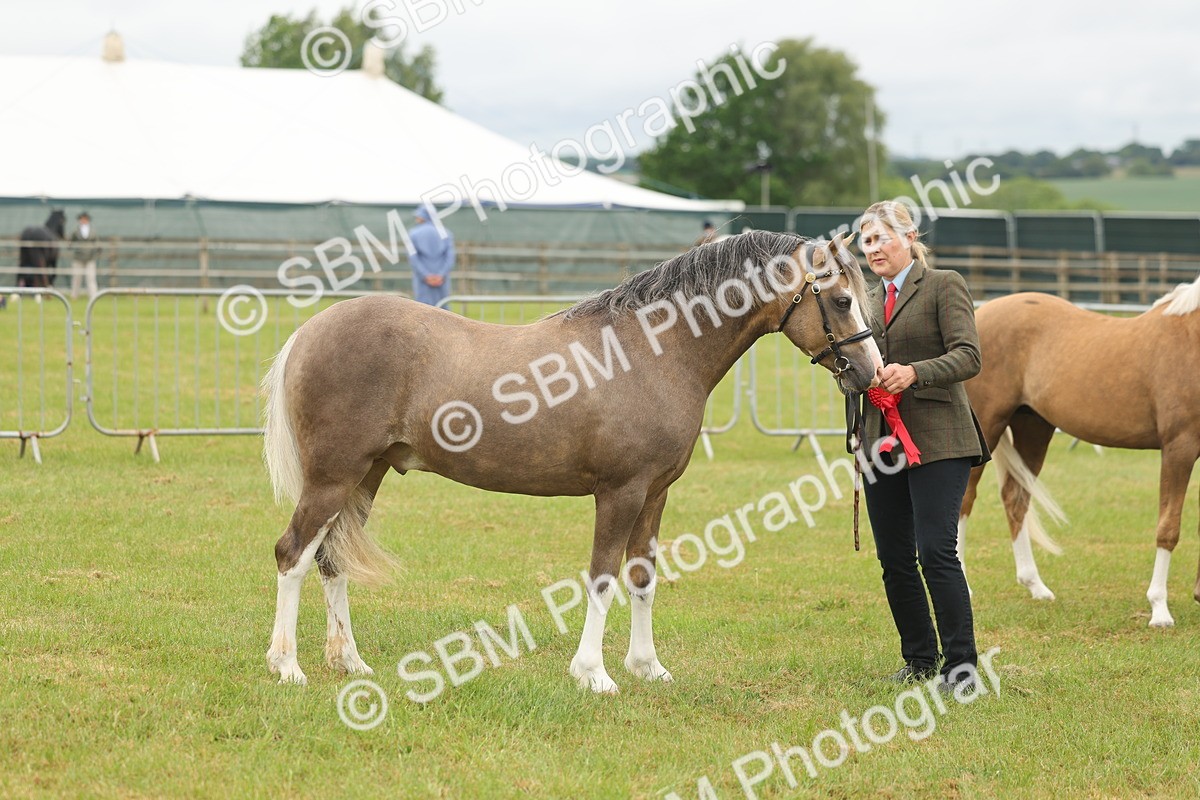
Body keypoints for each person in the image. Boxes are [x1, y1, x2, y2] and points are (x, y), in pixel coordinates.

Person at [857, 200, 990, 691]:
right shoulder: (864, 301)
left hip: (939, 439)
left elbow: (968, 355)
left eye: (881, 238)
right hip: (881, 441)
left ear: (909, 236)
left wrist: (915, 373)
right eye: (865, 241)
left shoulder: (942, 285)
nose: (872, 249)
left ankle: (963, 669)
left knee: (936, 550)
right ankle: (919, 659)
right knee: (893, 557)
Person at [409, 205, 455, 306]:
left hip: (423, 281)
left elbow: (413, 258)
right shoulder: (446, 233)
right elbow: (450, 257)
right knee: (443, 310)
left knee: (423, 311)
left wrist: (426, 275)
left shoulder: (413, 234)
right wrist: (441, 275)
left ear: (422, 216)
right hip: (441, 280)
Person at [69, 211, 100, 300]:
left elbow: (97, 242)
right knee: (76, 278)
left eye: (85, 219)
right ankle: (74, 296)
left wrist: (97, 250)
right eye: (82, 219)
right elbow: (70, 242)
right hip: (78, 258)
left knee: (91, 278)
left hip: (90, 258)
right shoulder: (76, 231)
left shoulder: (93, 231)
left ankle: (93, 296)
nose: (84, 220)